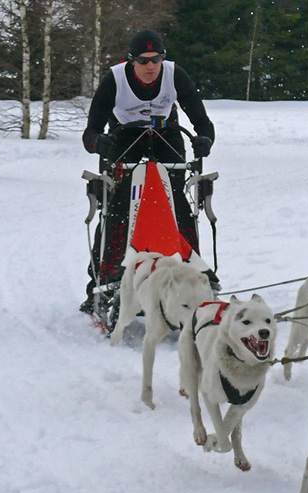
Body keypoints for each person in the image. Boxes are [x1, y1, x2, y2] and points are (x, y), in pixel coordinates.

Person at [81, 28, 216, 314]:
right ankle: (103, 279)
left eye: (156, 59)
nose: (150, 66)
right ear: (131, 61)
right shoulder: (114, 79)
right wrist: (98, 142)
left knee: (179, 205)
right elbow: (90, 132)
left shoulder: (175, 74)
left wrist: (204, 140)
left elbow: (202, 121)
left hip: (166, 135)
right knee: (115, 209)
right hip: (125, 138)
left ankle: (196, 274)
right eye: (143, 61)